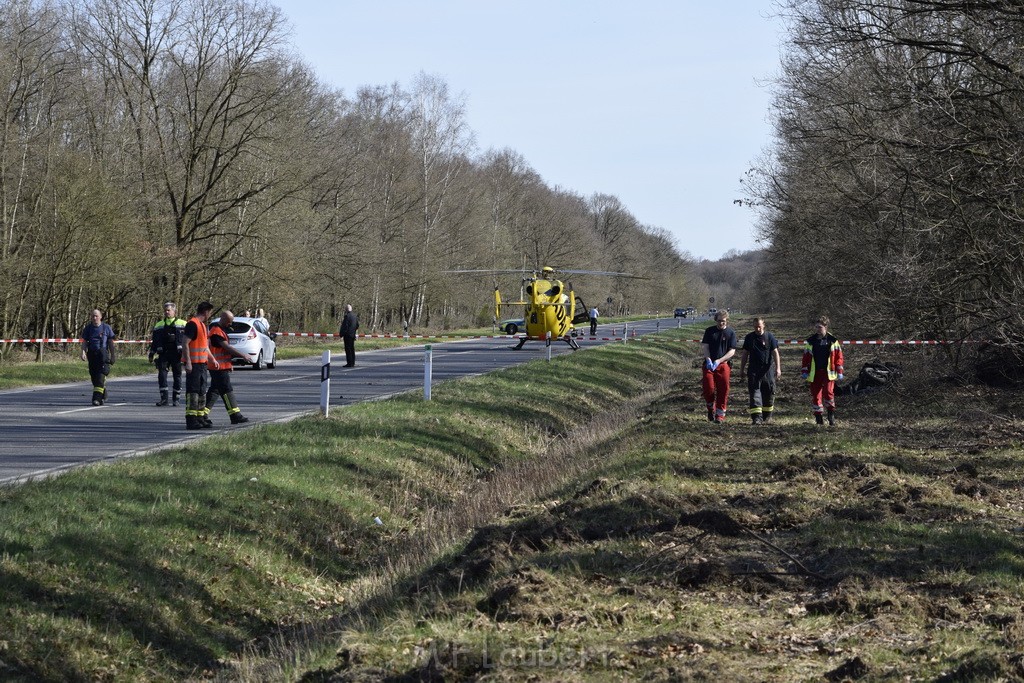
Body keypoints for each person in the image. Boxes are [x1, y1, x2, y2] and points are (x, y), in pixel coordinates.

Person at [206, 310, 250, 425]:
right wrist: (242, 355)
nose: (230, 324)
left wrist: (229, 365)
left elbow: (223, 352)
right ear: (224, 319)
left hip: (220, 366)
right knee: (226, 389)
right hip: (218, 367)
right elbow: (227, 348)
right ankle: (235, 415)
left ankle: (202, 414)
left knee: (214, 391)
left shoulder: (220, 330)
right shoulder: (216, 332)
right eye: (229, 322)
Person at [801, 316, 845, 426]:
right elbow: (806, 357)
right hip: (814, 372)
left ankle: (831, 416)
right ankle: (818, 418)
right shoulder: (811, 341)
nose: (817, 329)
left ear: (825, 327)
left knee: (828, 393)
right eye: (816, 327)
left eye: (820, 327)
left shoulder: (833, 340)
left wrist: (839, 371)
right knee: (816, 395)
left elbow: (838, 356)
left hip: (828, 372)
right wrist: (804, 370)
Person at [740, 317, 782, 424]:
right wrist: (742, 369)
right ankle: (756, 418)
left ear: (763, 325)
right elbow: (745, 354)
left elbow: (775, 353)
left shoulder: (769, 337)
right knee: (754, 393)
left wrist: (778, 368)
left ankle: (767, 417)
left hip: (768, 370)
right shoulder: (749, 338)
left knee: (769, 392)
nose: (757, 329)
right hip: (754, 370)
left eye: (759, 326)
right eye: (755, 327)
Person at [700, 309, 738, 423]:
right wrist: (708, 359)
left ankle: (719, 415)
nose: (721, 323)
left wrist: (719, 360)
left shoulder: (731, 333)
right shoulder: (709, 331)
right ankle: (710, 408)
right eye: (719, 321)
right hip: (709, 365)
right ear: (716, 320)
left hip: (723, 365)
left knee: (723, 389)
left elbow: (732, 351)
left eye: (724, 321)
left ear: (727, 321)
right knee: (709, 387)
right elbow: (705, 346)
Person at [182, 301, 214, 430]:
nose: (210, 315)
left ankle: (200, 417)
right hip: (194, 364)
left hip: (202, 364)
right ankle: (191, 419)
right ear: (206, 311)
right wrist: (188, 362)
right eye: (210, 312)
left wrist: (212, 359)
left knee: (202, 391)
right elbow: (185, 343)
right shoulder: (193, 324)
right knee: (193, 391)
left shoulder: (202, 325)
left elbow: (204, 346)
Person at [148, 302, 187, 406]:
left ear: (174, 311)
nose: (166, 312)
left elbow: (188, 341)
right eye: (165, 310)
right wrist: (151, 353)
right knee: (162, 375)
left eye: (169, 310)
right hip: (164, 354)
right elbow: (155, 341)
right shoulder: (159, 324)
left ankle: (176, 399)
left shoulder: (183, 324)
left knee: (177, 376)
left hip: (177, 354)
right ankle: (164, 399)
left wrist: (187, 355)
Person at [80, 309, 116, 406]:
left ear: (100, 317)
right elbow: (84, 342)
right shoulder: (88, 328)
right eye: (92, 316)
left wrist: (113, 356)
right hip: (92, 355)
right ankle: (103, 393)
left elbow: (111, 343)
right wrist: (83, 352)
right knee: (94, 378)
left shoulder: (106, 328)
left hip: (103, 356)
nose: (94, 318)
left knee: (100, 377)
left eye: (96, 316)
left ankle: (96, 399)